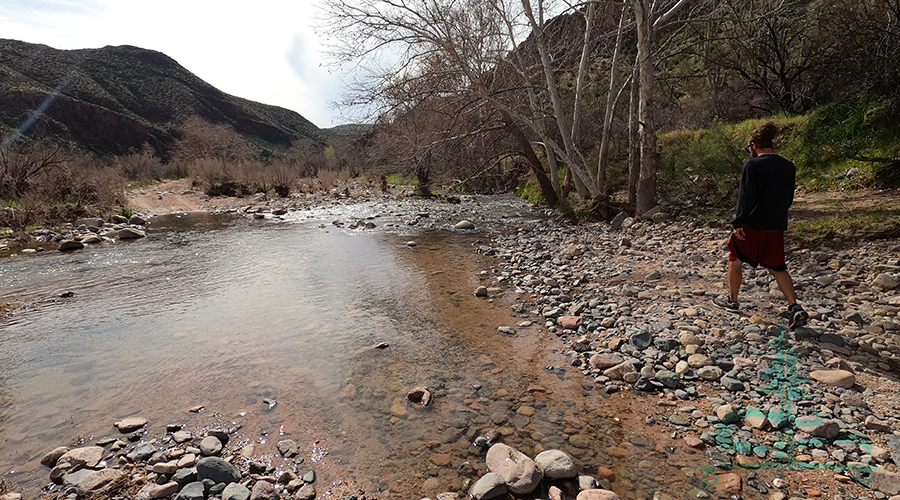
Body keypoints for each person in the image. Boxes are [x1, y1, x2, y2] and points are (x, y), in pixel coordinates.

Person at [713, 122, 809, 329]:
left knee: (735, 258)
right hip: (776, 224)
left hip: (753, 223)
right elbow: (789, 197)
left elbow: (746, 196)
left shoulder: (753, 165)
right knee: (778, 267)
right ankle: (794, 307)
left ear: (754, 146)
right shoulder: (788, 165)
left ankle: (732, 300)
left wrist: (738, 221)